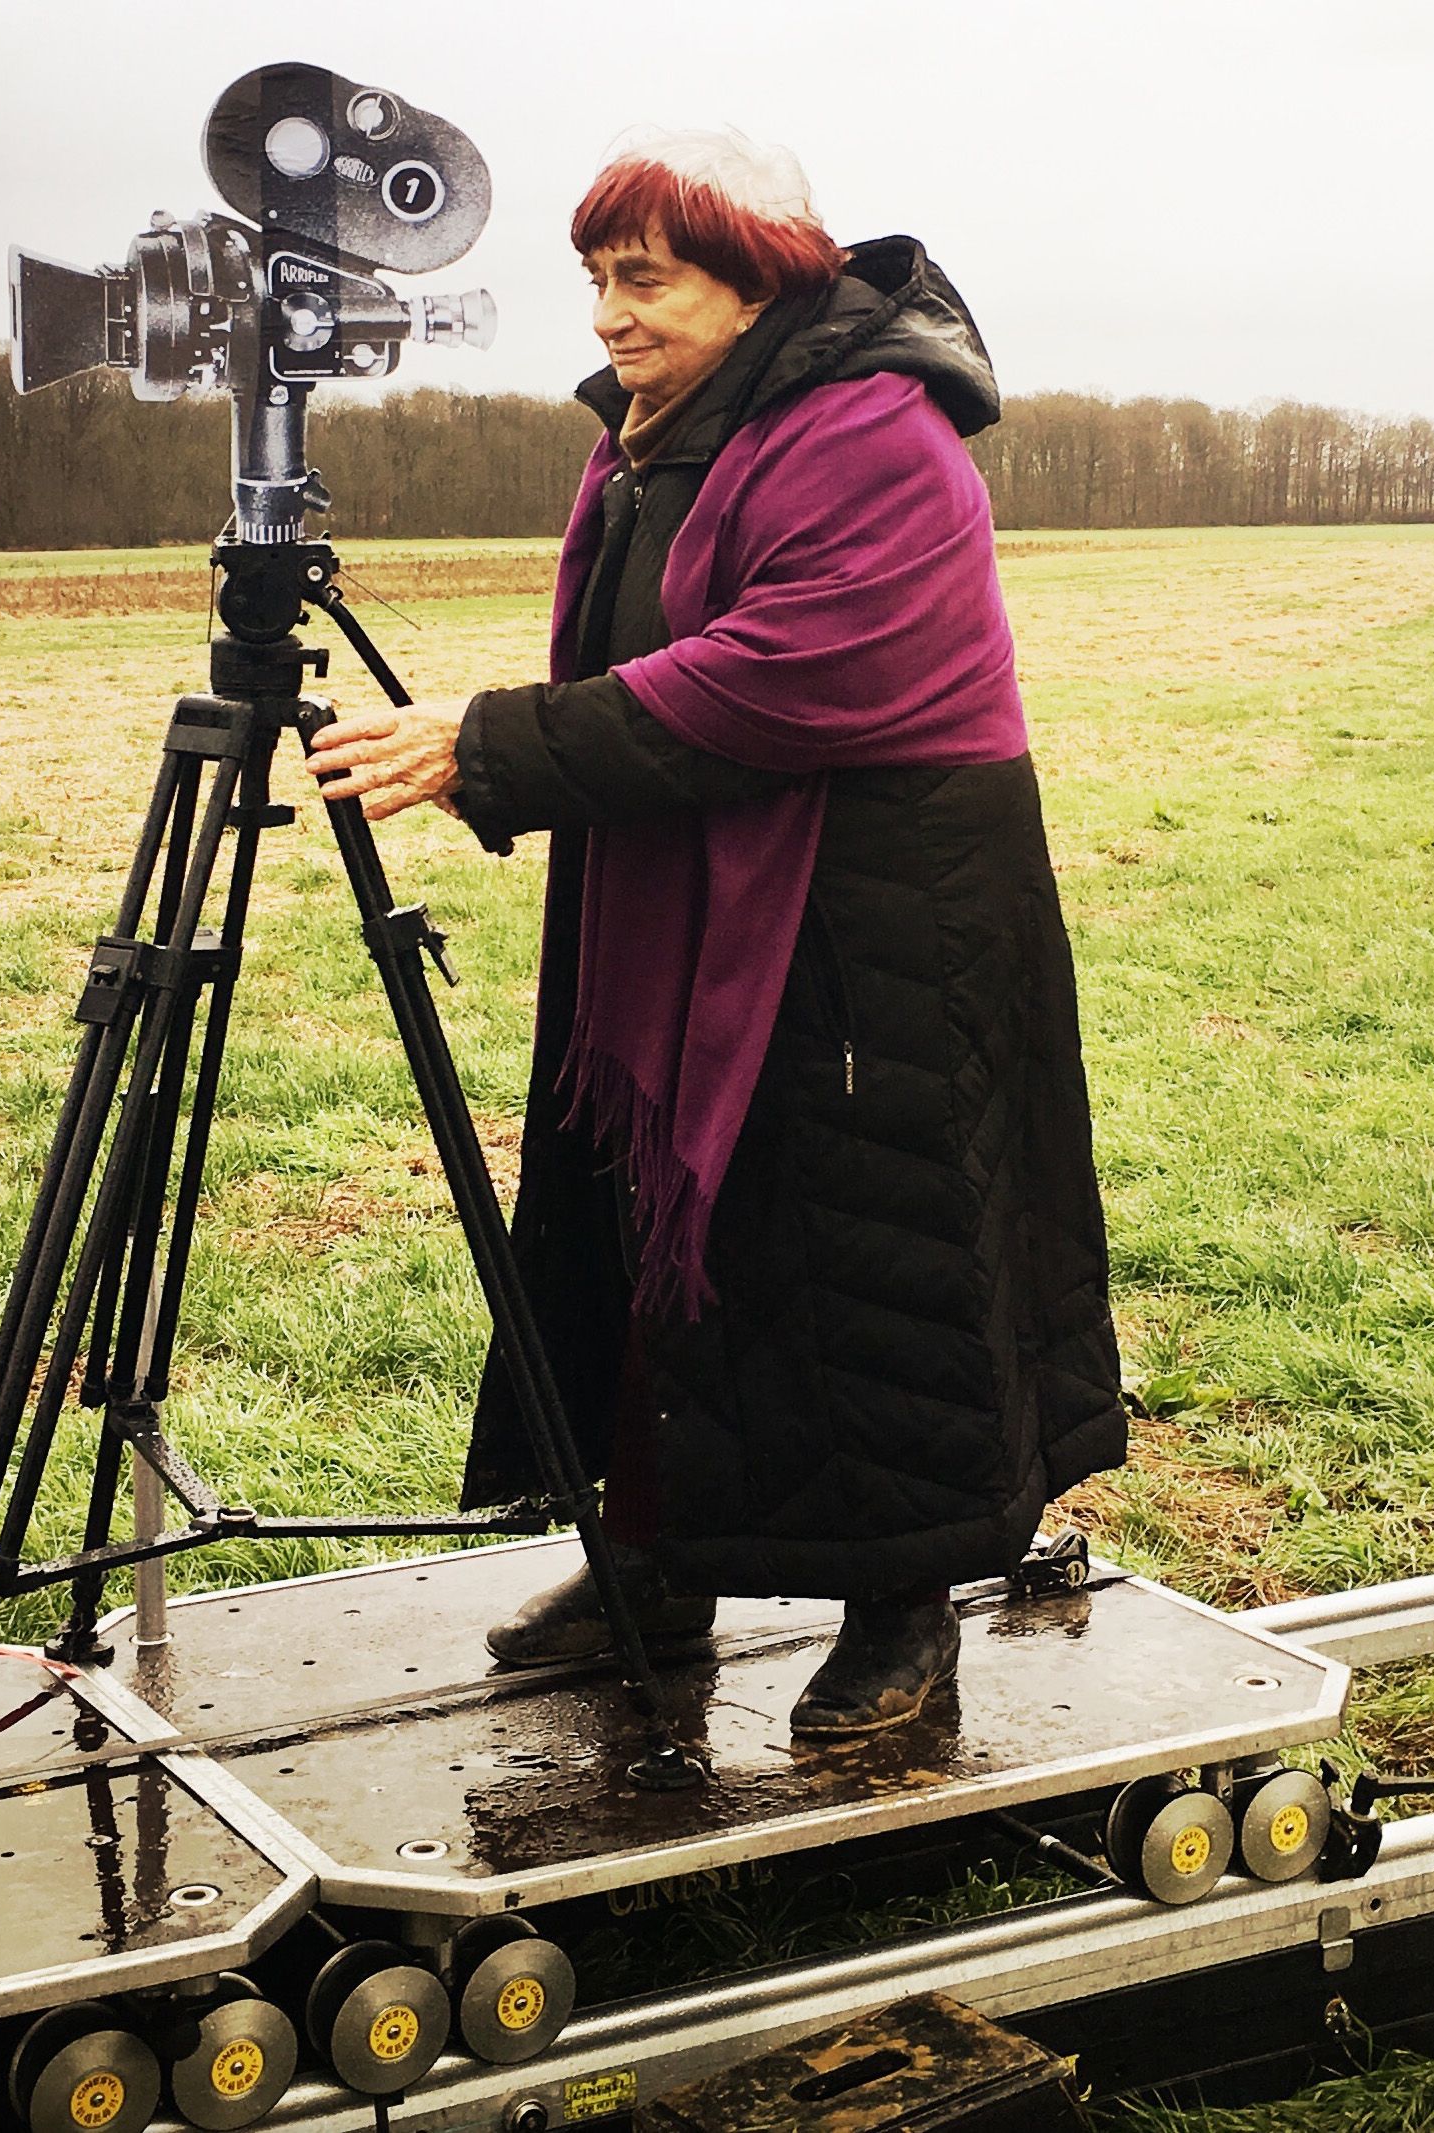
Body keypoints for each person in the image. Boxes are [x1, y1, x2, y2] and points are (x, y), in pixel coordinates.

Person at [302, 131, 1123, 1739]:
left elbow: (785, 671)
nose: (608, 314)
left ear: (758, 274)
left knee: (867, 1247)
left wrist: (497, 746)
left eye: (644, 277)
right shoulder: (656, 436)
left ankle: (905, 1603)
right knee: (663, 1230)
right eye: (597, 279)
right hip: (686, 890)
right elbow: (652, 646)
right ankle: (660, 1556)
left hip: (877, 917)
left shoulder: (876, 432)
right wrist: (525, 743)